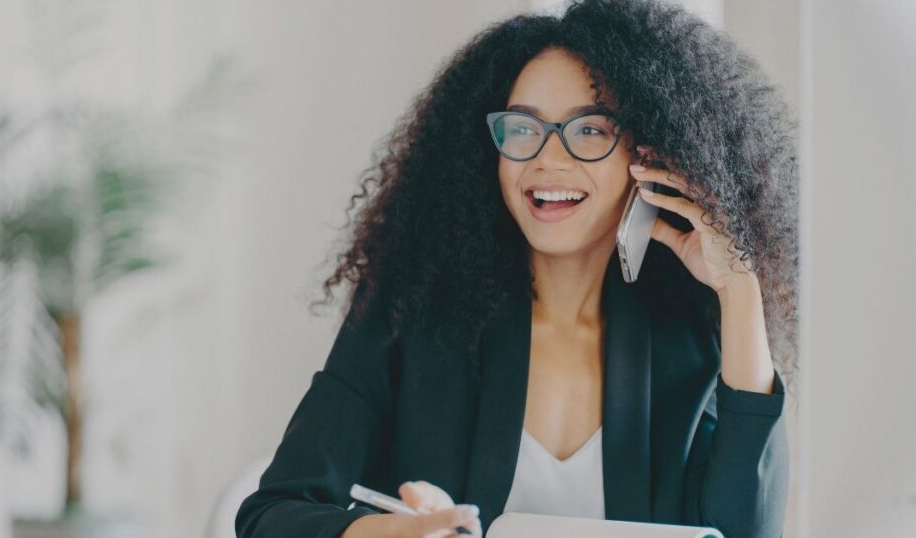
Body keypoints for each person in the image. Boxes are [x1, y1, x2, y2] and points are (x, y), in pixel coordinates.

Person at [236, 0, 798, 536]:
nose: (548, 159)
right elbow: (272, 515)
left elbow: (741, 531)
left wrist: (739, 289)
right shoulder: (408, 316)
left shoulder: (691, 341)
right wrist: (390, 534)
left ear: (649, 156)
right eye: (523, 129)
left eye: (589, 130)